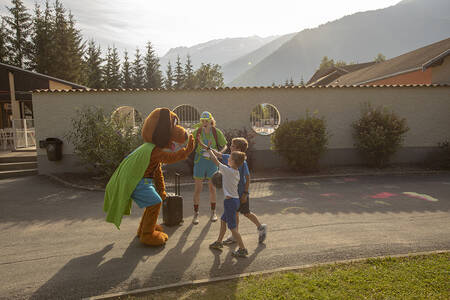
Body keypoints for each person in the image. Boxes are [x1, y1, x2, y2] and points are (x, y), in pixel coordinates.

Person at [213, 137, 267, 244]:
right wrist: (208, 148)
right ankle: (234, 235)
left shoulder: (243, 163)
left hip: (241, 193)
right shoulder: (229, 157)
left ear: (238, 149)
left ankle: (261, 227)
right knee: (235, 214)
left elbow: (247, 178)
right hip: (234, 193)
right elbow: (218, 155)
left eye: (232, 146)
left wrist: (245, 193)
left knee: (246, 213)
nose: (230, 147)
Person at [200, 141, 248, 257]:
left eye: (230, 158)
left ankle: (242, 249)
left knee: (232, 227)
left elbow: (215, 160)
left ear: (233, 162)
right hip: (233, 201)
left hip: (230, 202)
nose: (228, 159)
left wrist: (208, 149)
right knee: (223, 220)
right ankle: (219, 242)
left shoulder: (228, 171)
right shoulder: (235, 172)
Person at [192, 111, 227, 225]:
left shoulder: (216, 133)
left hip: (212, 162)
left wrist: (219, 153)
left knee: (212, 188)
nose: (205, 123)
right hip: (199, 162)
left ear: (211, 121)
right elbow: (188, 144)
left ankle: (213, 212)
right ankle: (196, 214)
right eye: (202, 121)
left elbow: (225, 145)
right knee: (198, 189)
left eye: (207, 121)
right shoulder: (197, 132)